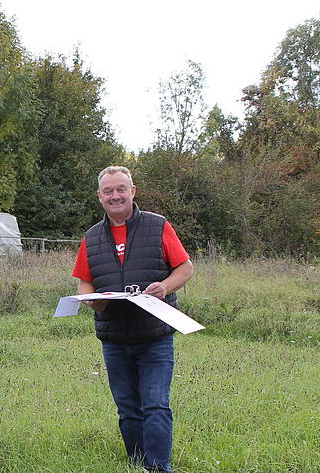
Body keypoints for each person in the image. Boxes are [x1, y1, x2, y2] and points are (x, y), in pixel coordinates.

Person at [72, 166, 194, 473]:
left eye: (121, 189)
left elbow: (185, 268)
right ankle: (137, 463)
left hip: (155, 335)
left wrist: (165, 287)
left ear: (132, 191)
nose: (115, 196)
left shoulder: (158, 225)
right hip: (114, 338)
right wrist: (91, 299)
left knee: (155, 404)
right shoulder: (91, 237)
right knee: (127, 408)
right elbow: (84, 283)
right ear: (99, 196)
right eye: (108, 191)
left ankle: (158, 468)